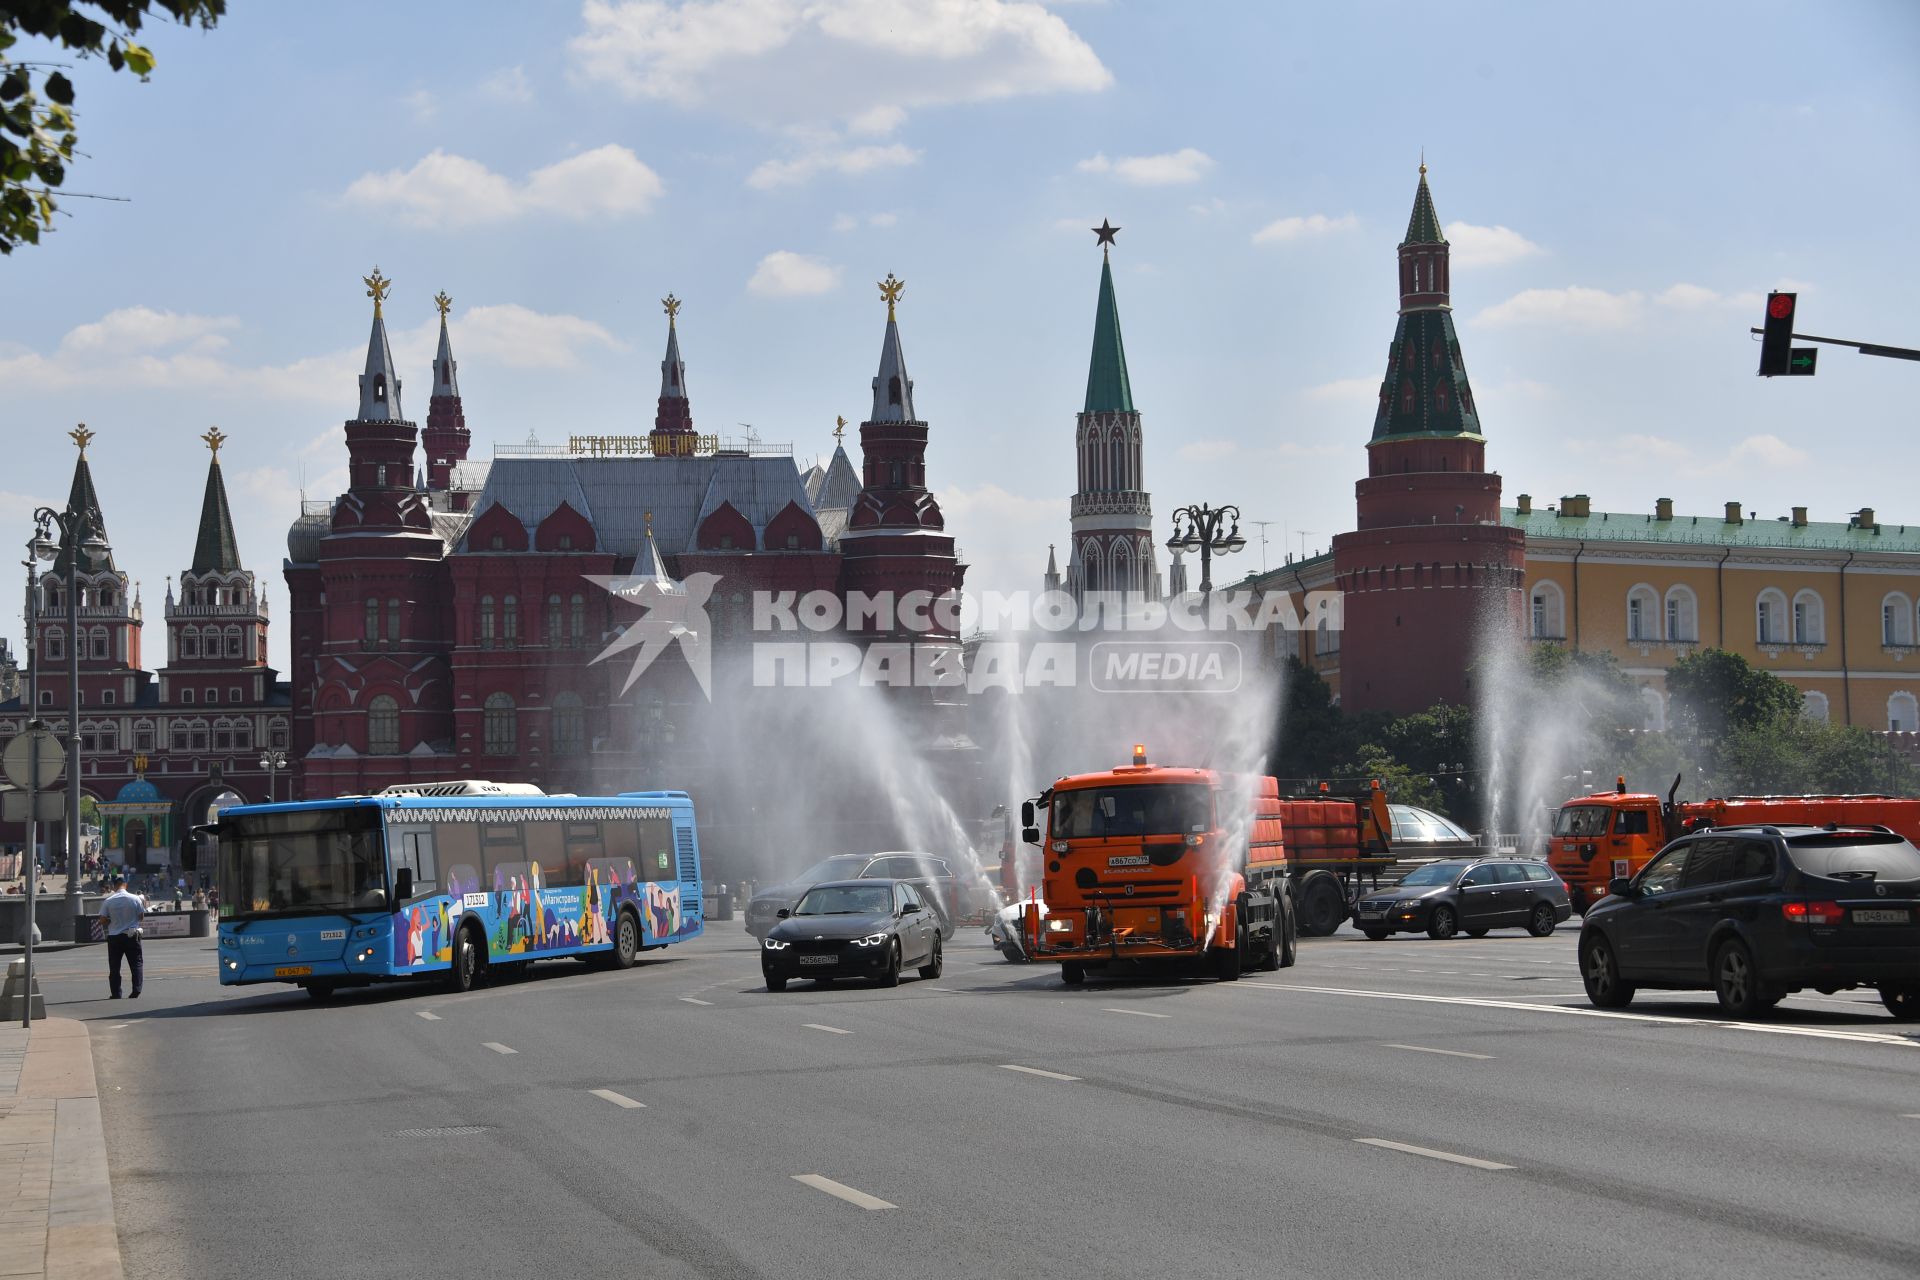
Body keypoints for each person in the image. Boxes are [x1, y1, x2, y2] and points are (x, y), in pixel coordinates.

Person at [99, 874, 146, 1000]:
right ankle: (136, 989)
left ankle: (116, 993)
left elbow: (102, 920)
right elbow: (141, 917)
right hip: (132, 934)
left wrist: (113, 921)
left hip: (114, 936)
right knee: (136, 963)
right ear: (126, 885)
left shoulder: (108, 901)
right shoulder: (135, 898)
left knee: (114, 967)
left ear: (114, 887)